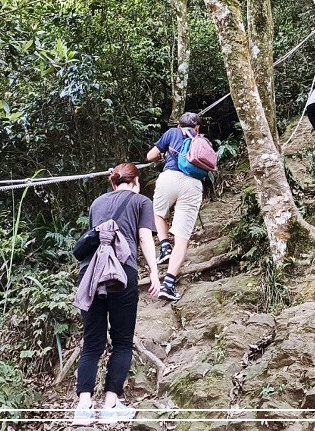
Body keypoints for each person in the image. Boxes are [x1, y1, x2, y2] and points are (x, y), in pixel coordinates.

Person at [73, 163, 161, 426]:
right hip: (122, 273)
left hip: (90, 275)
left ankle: (84, 407)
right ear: (136, 182)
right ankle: (110, 405)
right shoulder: (141, 201)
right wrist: (154, 273)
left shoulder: (96, 203)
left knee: (92, 343)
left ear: (113, 183)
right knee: (122, 342)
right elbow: (145, 238)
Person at [145, 112, 205, 301]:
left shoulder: (172, 133)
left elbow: (150, 156)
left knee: (158, 213)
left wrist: (163, 153)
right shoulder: (202, 140)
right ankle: (168, 285)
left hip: (169, 177)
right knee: (182, 238)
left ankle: (164, 248)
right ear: (197, 128)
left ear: (179, 125)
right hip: (193, 184)